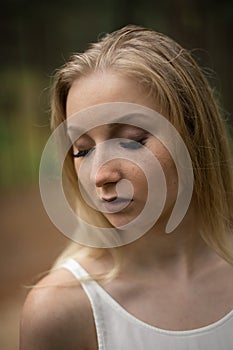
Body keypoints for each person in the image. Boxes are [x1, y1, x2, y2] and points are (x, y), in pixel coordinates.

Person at [20, 25, 233, 349]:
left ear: (193, 133)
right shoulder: (59, 311)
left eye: (132, 141)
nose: (99, 175)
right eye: (83, 149)